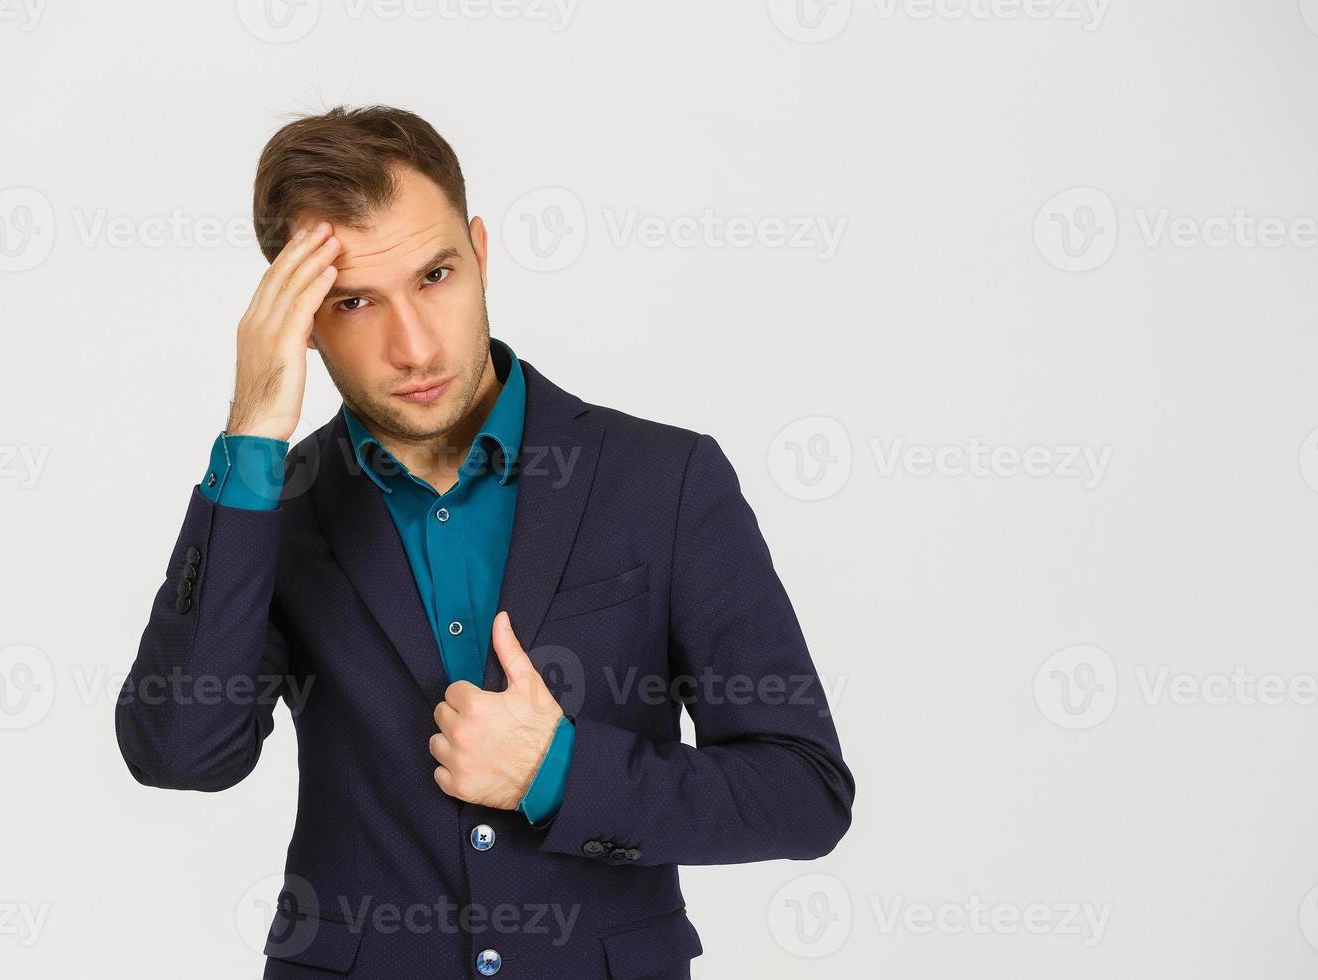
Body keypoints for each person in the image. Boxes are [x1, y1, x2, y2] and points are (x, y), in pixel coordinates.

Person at [114, 104, 854, 980]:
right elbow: (180, 751)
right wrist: (252, 437)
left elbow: (803, 793)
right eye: (354, 301)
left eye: (436, 275)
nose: (415, 345)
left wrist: (561, 773)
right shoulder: (276, 511)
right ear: (302, 318)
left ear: (481, 253)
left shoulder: (666, 481)